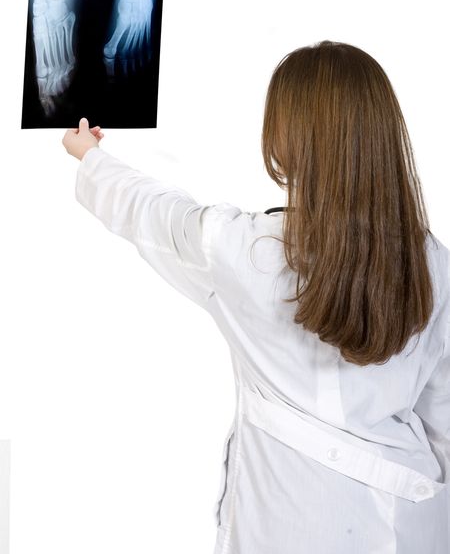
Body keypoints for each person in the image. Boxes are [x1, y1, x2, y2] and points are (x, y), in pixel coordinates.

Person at [62, 40, 450, 554]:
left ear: (288, 138)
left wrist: (90, 156)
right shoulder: (431, 260)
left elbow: (151, 212)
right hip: (412, 521)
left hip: (292, 523)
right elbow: (442, 409)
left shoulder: (247, 251)